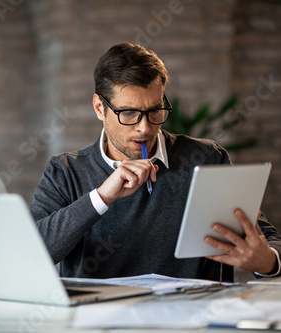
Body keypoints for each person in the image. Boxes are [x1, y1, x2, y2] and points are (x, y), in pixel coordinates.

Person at [29, 42, 281, 282]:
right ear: (99, 107)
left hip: (193, 321)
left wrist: (267, 262)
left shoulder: (206, 158)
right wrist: (101, 197)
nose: (144, 127)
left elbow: (266, 238)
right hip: (100, 324)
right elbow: (32, 250)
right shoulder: (65, 171)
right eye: (128, 113)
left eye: (155, 111)